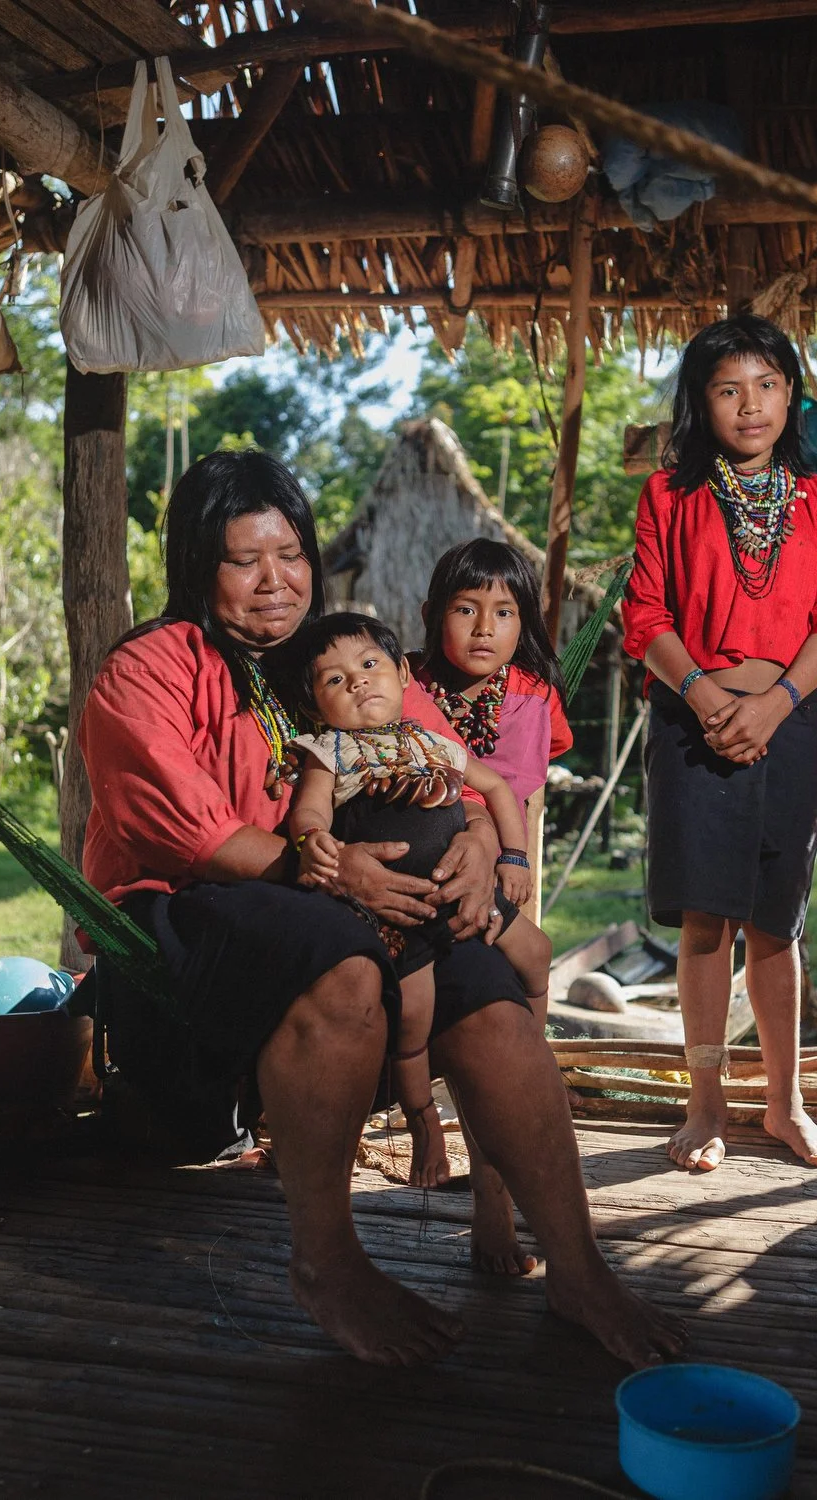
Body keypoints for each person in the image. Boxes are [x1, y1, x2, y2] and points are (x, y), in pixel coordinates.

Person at [78, 449, 687, 1369]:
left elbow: (454, 768)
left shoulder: (337, 657)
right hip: (192, 908)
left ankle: (578, 1266)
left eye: (291, 554)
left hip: (359, 898)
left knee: (486, 989)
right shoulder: (150, 670)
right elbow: (194, 835)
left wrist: (485, 849)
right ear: (199, 567)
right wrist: (332, 875)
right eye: (245, 561)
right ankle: (328, 1264)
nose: (275, 581)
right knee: (338, 953)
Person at [623, 314, 817, 1174]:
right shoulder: (669, 497)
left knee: (775, 925)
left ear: (791, 395)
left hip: (789, 721)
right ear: (702, 401)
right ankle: (706, 1105)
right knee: (703, 923)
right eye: (728, 388)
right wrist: (704, 692)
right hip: (694, 724)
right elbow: (645, 616)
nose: (749, 404)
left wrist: (774, 704)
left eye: (766, 385)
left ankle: (784, 1103)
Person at [288, 610, 551, 1189]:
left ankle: (536, 1059)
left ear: (403, 673)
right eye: (333, 679)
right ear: (314, 706)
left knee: (536, 950)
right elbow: (309, 808)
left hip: (466, 895)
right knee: (412, 1028)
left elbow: (497, 788)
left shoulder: (433, 742)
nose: (356, 681)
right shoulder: (329, 751)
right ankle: (421, 1121)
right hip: (401, 918)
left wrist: (511, 857)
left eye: (368, 664)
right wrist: (314, 840)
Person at [412, 538, 572, 1274]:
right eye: (466, 608)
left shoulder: (531, 697)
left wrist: (511, 866)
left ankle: (493, 1191)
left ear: (524, 621)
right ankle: (435, 1134)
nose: (484, 628)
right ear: (433, 616)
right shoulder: (406, 683)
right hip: (422, 869)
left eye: (504, 612)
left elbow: (519, 799)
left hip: (495, 876)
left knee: (524, 980)